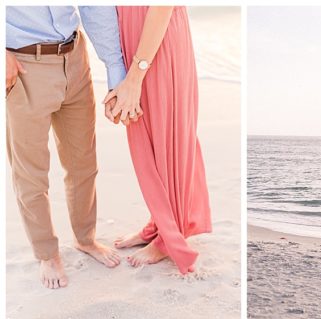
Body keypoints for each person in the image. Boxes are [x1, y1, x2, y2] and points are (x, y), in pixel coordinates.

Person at [6, 6, 127, 289]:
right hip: (23, 64)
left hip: (74, 57)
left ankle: (85, 239)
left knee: (83, 162)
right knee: (30, 173)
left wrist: (115, 68)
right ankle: (46, 254)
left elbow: (93, 5)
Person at [104, 6, 211, 274]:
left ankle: (169, 236)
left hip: (157, 41)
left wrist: (135, 76)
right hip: (135, 40)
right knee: (149, 133)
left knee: (168, 136)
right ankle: (161, 224)